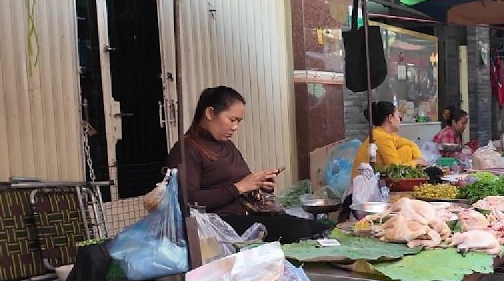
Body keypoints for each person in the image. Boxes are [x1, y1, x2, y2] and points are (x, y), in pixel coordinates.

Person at [169, 87, 328, 245]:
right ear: (210, 113)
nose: (235, 127)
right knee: (299, 230)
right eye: (232, 120)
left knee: (320, 227)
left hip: (246, 214)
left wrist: (260, 184)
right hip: (218, 224)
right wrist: (239, 187)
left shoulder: (226, 145)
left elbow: (243, 183)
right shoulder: (187, 149)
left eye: (238, 121)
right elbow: (187, 200)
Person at [351, 101, 425, 170]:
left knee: (407, 149)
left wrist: (420, 160)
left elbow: (411, 144)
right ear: (390, 118)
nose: (400, 120)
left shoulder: (386, 134)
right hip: (366, 182)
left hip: (379, 174)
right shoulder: (381, 137)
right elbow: (396, 169)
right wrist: (416, 162)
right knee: (407, 153)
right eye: (398, 116)